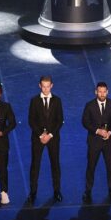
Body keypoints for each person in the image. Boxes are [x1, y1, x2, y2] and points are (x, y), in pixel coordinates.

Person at [26, 75, 64, 205]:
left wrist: (50, 135)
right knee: (35, 165)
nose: (46, 89)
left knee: (55, 165)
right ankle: (33, 192)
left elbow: (60, 120)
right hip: (38, 139)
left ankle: (57, 191)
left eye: (48, 86)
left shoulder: (57, 101)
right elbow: (31, 120)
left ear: (51, 86)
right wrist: (40, 135)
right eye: (43, 86)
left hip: (53, 138)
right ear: (40, 86)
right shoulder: (34, 101)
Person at [81, 81, 111, 203]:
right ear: (96, 92)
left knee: (110, 166)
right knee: (91, 166)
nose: (102, 94)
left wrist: (109, 132)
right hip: (94, 141)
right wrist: (98, 131)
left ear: (107, 92)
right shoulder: (89, 105)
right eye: (100, 92)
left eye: (104, 92)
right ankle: (88, 190)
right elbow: (85, 122)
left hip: (108, 141)